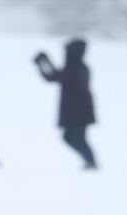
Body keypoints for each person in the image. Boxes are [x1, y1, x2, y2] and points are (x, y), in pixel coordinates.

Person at [34, 38, 97, 169]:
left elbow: (55, 76)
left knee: (77, 138)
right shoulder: (75, 68)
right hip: (75, 111)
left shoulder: (77, 69)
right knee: (69, 138)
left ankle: (91, 162)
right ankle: (89, 161)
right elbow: (56, 75)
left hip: (79, 112)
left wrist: (43, 63)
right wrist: (43, 63)